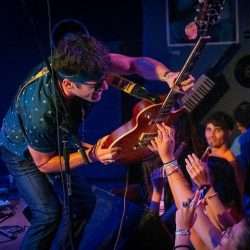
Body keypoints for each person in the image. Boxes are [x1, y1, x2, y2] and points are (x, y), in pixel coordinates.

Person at [0, 19, 193, 249]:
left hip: (58, 135)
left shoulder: (91, 65)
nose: (103, 88)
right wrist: (92, 156)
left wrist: (168, 76)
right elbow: (43, 163)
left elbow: (134, 64)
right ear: (69, 85)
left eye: (104, 80)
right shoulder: (41, 107)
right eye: (95, 85)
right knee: (48, 213)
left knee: (84, 204)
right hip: (21, 149)